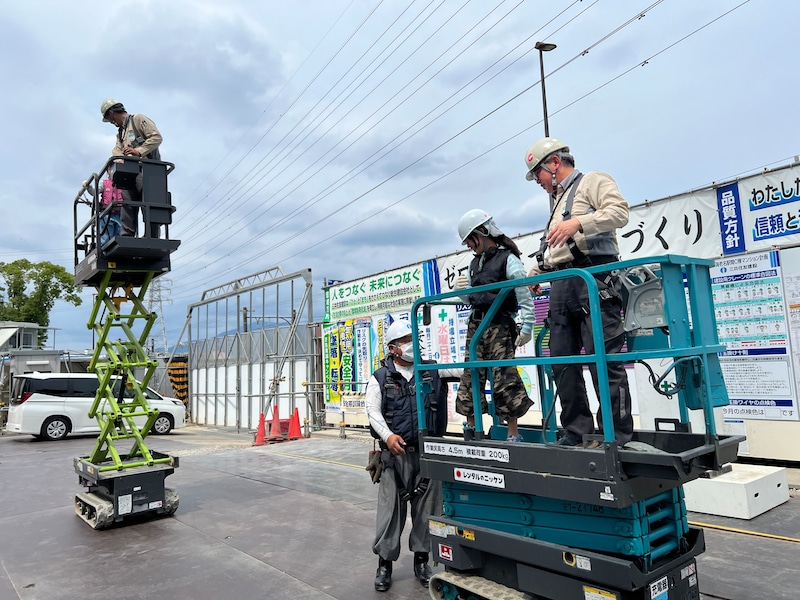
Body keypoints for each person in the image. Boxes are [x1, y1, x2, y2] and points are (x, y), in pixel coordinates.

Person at [523, 137, 632, 446]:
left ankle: (616, 436)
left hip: (593, 280)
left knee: (604, 361)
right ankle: (576, 431)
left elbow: (620, 212)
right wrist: (535, 273)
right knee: (562, 362)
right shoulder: (558, 201)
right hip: (561, 284)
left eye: (539, 174)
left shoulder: (592, 181)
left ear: (554, 164)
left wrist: (579, 223)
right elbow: (557, 251)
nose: (539, 182)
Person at [365, 319, 447, 592]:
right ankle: (384, 565)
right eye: (405, 340)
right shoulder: (380, 378)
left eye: (414, 338)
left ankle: (422, 561)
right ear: (392, 348)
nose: (412, 344)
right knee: (390, 513)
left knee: (428, 512)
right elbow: (372, 412)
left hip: (426, 454)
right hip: (394, 457)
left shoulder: (431, 371)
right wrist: (387, 436)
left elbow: (462, 371)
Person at [454, 209, 535, 442]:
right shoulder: (473, 263)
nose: (469, 245)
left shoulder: (508, 258)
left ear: (484, 231)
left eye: (471, 239)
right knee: (471, 375)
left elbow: (523, 292)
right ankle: (471, 427)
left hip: (500, 324)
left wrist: (527, 326)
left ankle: (512, 433)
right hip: (477, 324)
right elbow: (472, 299)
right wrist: (461, 293)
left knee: (504, 377)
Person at [100, 98, 163, 237]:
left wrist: (139, 151)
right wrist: (120, 158)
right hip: (130, 172)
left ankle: (151, 236)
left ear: (112, 112)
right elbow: (116, 151)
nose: (111, 122)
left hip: (147, 170)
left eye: (109, 118)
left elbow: (156, 137)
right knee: (127, 202)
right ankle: (127, 234)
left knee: (148, 204)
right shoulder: (121, 134)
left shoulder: (137, 119)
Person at [98, 168, 123, 246]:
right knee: (106, 238)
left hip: (119, 214)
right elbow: (94, 191)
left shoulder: (122, 184)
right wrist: (88, 187)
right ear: (108, 171)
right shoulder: (104, 183)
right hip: (106, 214)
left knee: (119, 237)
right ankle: (104, 251)